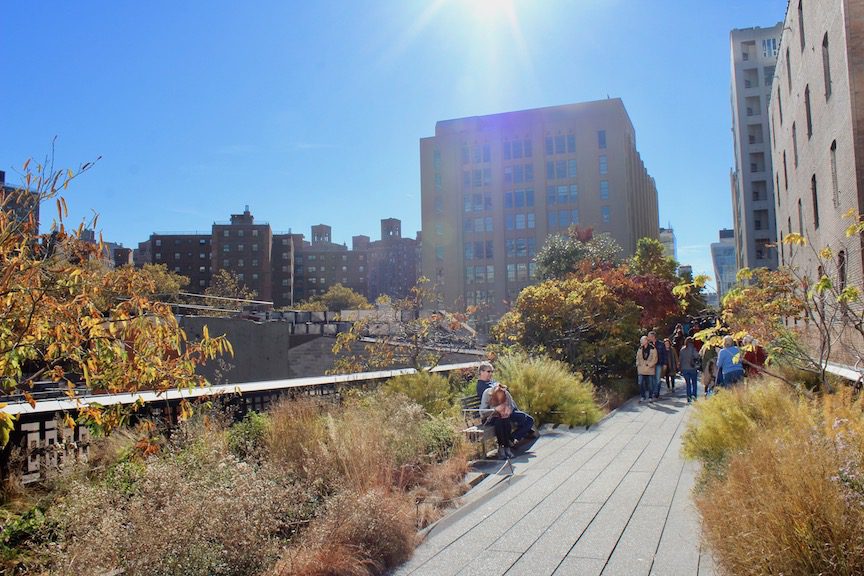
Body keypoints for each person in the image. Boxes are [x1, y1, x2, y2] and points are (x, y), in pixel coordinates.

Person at [475, 362, 535, 458]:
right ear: (481, 372)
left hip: (504, 411)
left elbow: (505, 395)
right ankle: (504, 447)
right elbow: (485, 409)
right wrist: (498, 409)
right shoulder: (483, 388)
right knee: (502, 421)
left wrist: (510, 407)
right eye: (488, 371)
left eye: (492, 372)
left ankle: (509, 441)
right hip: (492, 415)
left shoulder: (493, 383)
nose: (490, 374)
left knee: (526, 420)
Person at [636, 335, 657, 403]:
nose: (641, 342)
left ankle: (650, 396)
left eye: (642, 341)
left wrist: (650, 364)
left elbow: (655, 358)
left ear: (646, 341)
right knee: (641, 383)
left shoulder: (652, 348)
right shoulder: (640, 348)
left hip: (650, 369)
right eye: (641, 341)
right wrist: (638, 363)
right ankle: (643, 396)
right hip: (641, 368)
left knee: (650, 384)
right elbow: (637, 357)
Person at [679, 337, 699, 403]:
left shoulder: (682, 349)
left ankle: (688, 398)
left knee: (688, 384)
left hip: (685, 368)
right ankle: (694, 396)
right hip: (692, 368)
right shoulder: (693, 349)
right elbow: (697, 356)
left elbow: (680, 360)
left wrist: (680, 368)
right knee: (694, 383)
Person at [648, 331, 666, 399]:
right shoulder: (648, 345)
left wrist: (665, 364)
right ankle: (653, 392)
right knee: (652, 379)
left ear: (653, 337)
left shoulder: (661, 344)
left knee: (658, 378)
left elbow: (664, 354)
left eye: (649, 336)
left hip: (659, 363)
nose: (648, 338)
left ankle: (656, 392)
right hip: (651, 364)